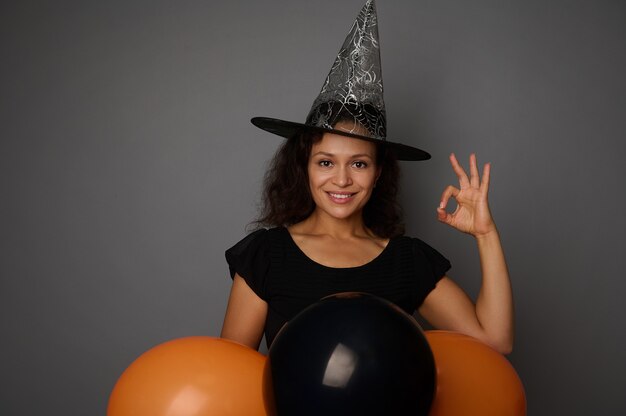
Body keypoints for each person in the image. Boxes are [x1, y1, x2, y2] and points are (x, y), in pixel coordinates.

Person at [220, 0, 513, 354]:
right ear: (304, 168)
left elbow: (495, 341)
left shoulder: (407, 262)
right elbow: (232, 376)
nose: (341, 180)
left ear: (378, 174)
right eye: (326, 162)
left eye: (359, 164)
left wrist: (486, 234)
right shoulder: (266, 256)